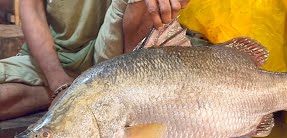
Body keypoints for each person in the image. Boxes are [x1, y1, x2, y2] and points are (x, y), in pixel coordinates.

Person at [0, 0, 190, 121]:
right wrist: (59, 84)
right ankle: (75, 91)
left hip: (114, 53)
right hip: (54, 56)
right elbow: (31, 10)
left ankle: (119, 91)